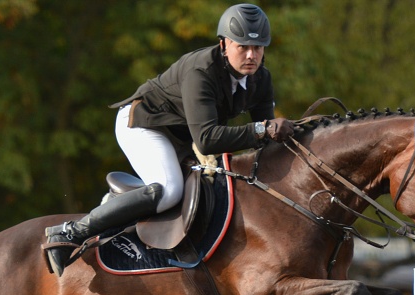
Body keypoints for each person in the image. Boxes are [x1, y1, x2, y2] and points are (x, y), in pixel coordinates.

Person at [45, 4, 295, 277]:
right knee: (169, 190)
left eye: (258, 48)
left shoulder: (261, 79)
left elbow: (265, 142)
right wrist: (262, 129)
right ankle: (71, 233)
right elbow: (210, 139)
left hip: (182, 135)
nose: (251, 55)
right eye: (243, 47)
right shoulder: (202, 72)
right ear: (224, 44)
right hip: (143, 123)